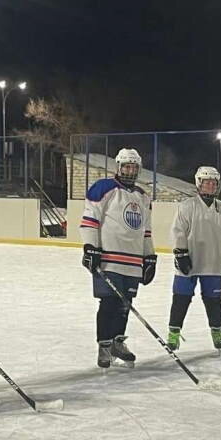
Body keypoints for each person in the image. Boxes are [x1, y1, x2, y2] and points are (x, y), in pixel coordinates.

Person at [80, 148, 156, 368]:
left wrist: (149, 256)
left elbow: (146, 231)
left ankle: (117, 343)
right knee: (109, 302)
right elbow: (90, 220)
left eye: (134, 167)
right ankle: (104, 345)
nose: (130, 171)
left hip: (133, 261)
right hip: (109, 258)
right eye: (126, 167)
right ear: (118, 167)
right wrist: (91, 247)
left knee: (125, 304)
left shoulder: (143, 196)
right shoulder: (104, 188)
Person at [167, 166, 221, 352]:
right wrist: (181, 253)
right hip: (189, 262)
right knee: (181, 299)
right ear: (199, 184)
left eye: (213, 183)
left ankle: (217, 331)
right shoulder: (187, 207)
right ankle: (173, 333)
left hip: (214, 263)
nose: (210, 186)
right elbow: (178, 231)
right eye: (207, 183)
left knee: (214, 301)